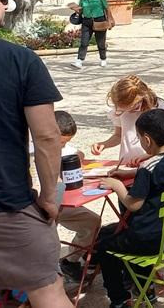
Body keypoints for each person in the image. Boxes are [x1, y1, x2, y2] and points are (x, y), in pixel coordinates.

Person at [0, 0, 71, 307]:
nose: (6, 3)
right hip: (5, 208)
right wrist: (50, 196)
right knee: (48, 290)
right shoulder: (19, 60)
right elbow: (48, 136)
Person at [94, 108, 164, 308]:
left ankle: (119, 299)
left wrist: (117, 185)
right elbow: (160, 179)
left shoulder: (148, 167)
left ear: (147, 140)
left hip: (150, 239)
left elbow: (133, 204)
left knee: (104, 243)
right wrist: (130, 174)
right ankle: (145, 289)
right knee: (111, 232)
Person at [92, 75, 164, 168]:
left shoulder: (160, 112)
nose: (130, 112)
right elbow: (118, 135)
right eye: (124, 110)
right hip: (127, 164)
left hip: (153, 165)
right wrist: (104, 144)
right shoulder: (122, 113)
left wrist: (146, 156)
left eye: (134, 107)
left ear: (143, 97)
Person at [54, 111, 103, 282]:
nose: (62, 146)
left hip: (63, 203)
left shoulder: (64, 148)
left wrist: (78, 158)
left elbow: (78, 154)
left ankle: (70, 261)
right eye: (61, 142)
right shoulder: (33, 150)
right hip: (40, 208)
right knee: (47, 237)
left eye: (65, 143)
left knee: (93, 221)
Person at [69, 0, 112, 69]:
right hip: (87, 21)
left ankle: (103, 59)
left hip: (99, 20)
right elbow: (81, 11)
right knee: (84, 42)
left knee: (101, 42)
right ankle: (79, 61)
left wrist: (110, 20)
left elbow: (107, 9)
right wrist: (76, 9)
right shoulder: (83, 0)